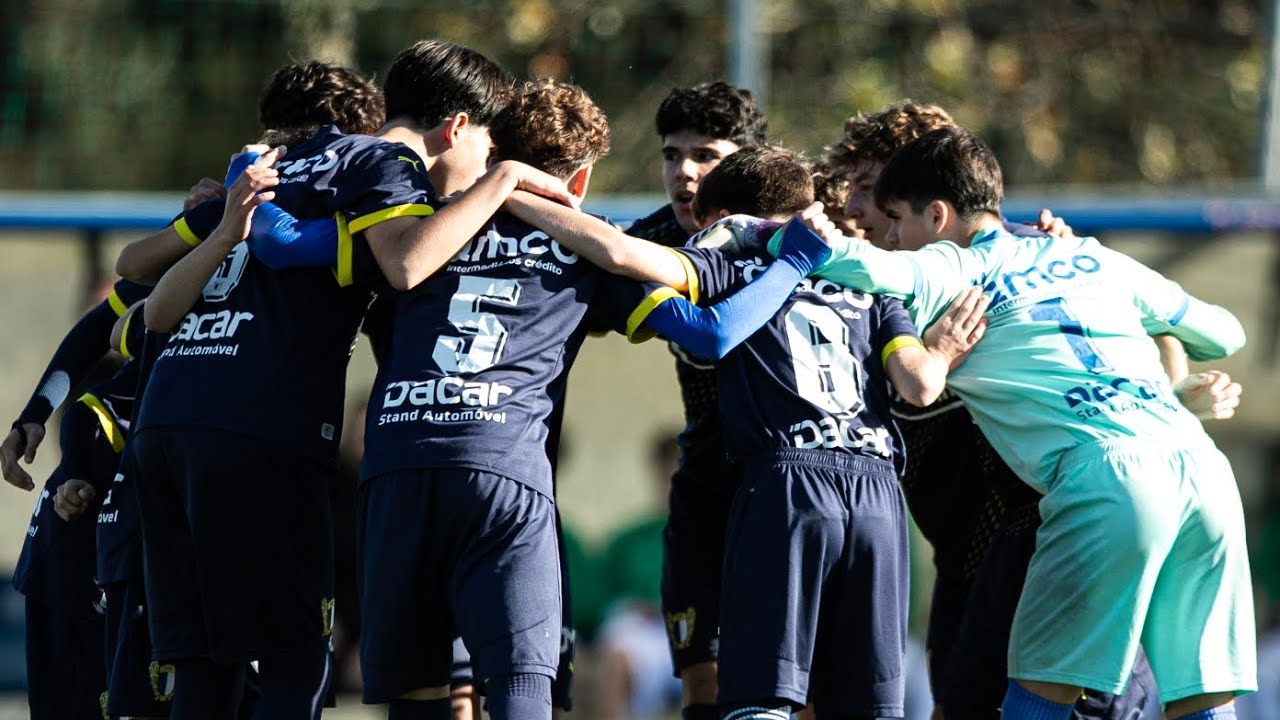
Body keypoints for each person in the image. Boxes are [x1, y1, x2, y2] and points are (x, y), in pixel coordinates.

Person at [130, 40, 569, 719]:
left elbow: (143, 283)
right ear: (456, 127)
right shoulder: (386, 164)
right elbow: (406, 265)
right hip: (262, 429)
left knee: (204, 665)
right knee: (296, 656)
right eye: (488, 147)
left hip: (167, 414)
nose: (486, 165)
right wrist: (504, 180)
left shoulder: (275, 164)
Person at [789, 126, 1253, 720]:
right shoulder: (1092, 256)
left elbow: (853, 263)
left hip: (1105, 482)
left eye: (897, 219)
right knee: (1204, 697)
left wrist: (762, 232)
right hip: (1203, 472)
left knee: (1037, 698)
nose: (894, 237)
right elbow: (1225, 334)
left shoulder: (948, 267)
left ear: (938, 215)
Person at [624, 80, 768, 720]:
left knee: (801, 681)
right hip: (707, 475)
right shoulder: (650, 241)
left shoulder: (799, 237)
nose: (684, 171)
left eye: (706, 155)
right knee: (703, 679)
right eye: (671, 154)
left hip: (787, 479)